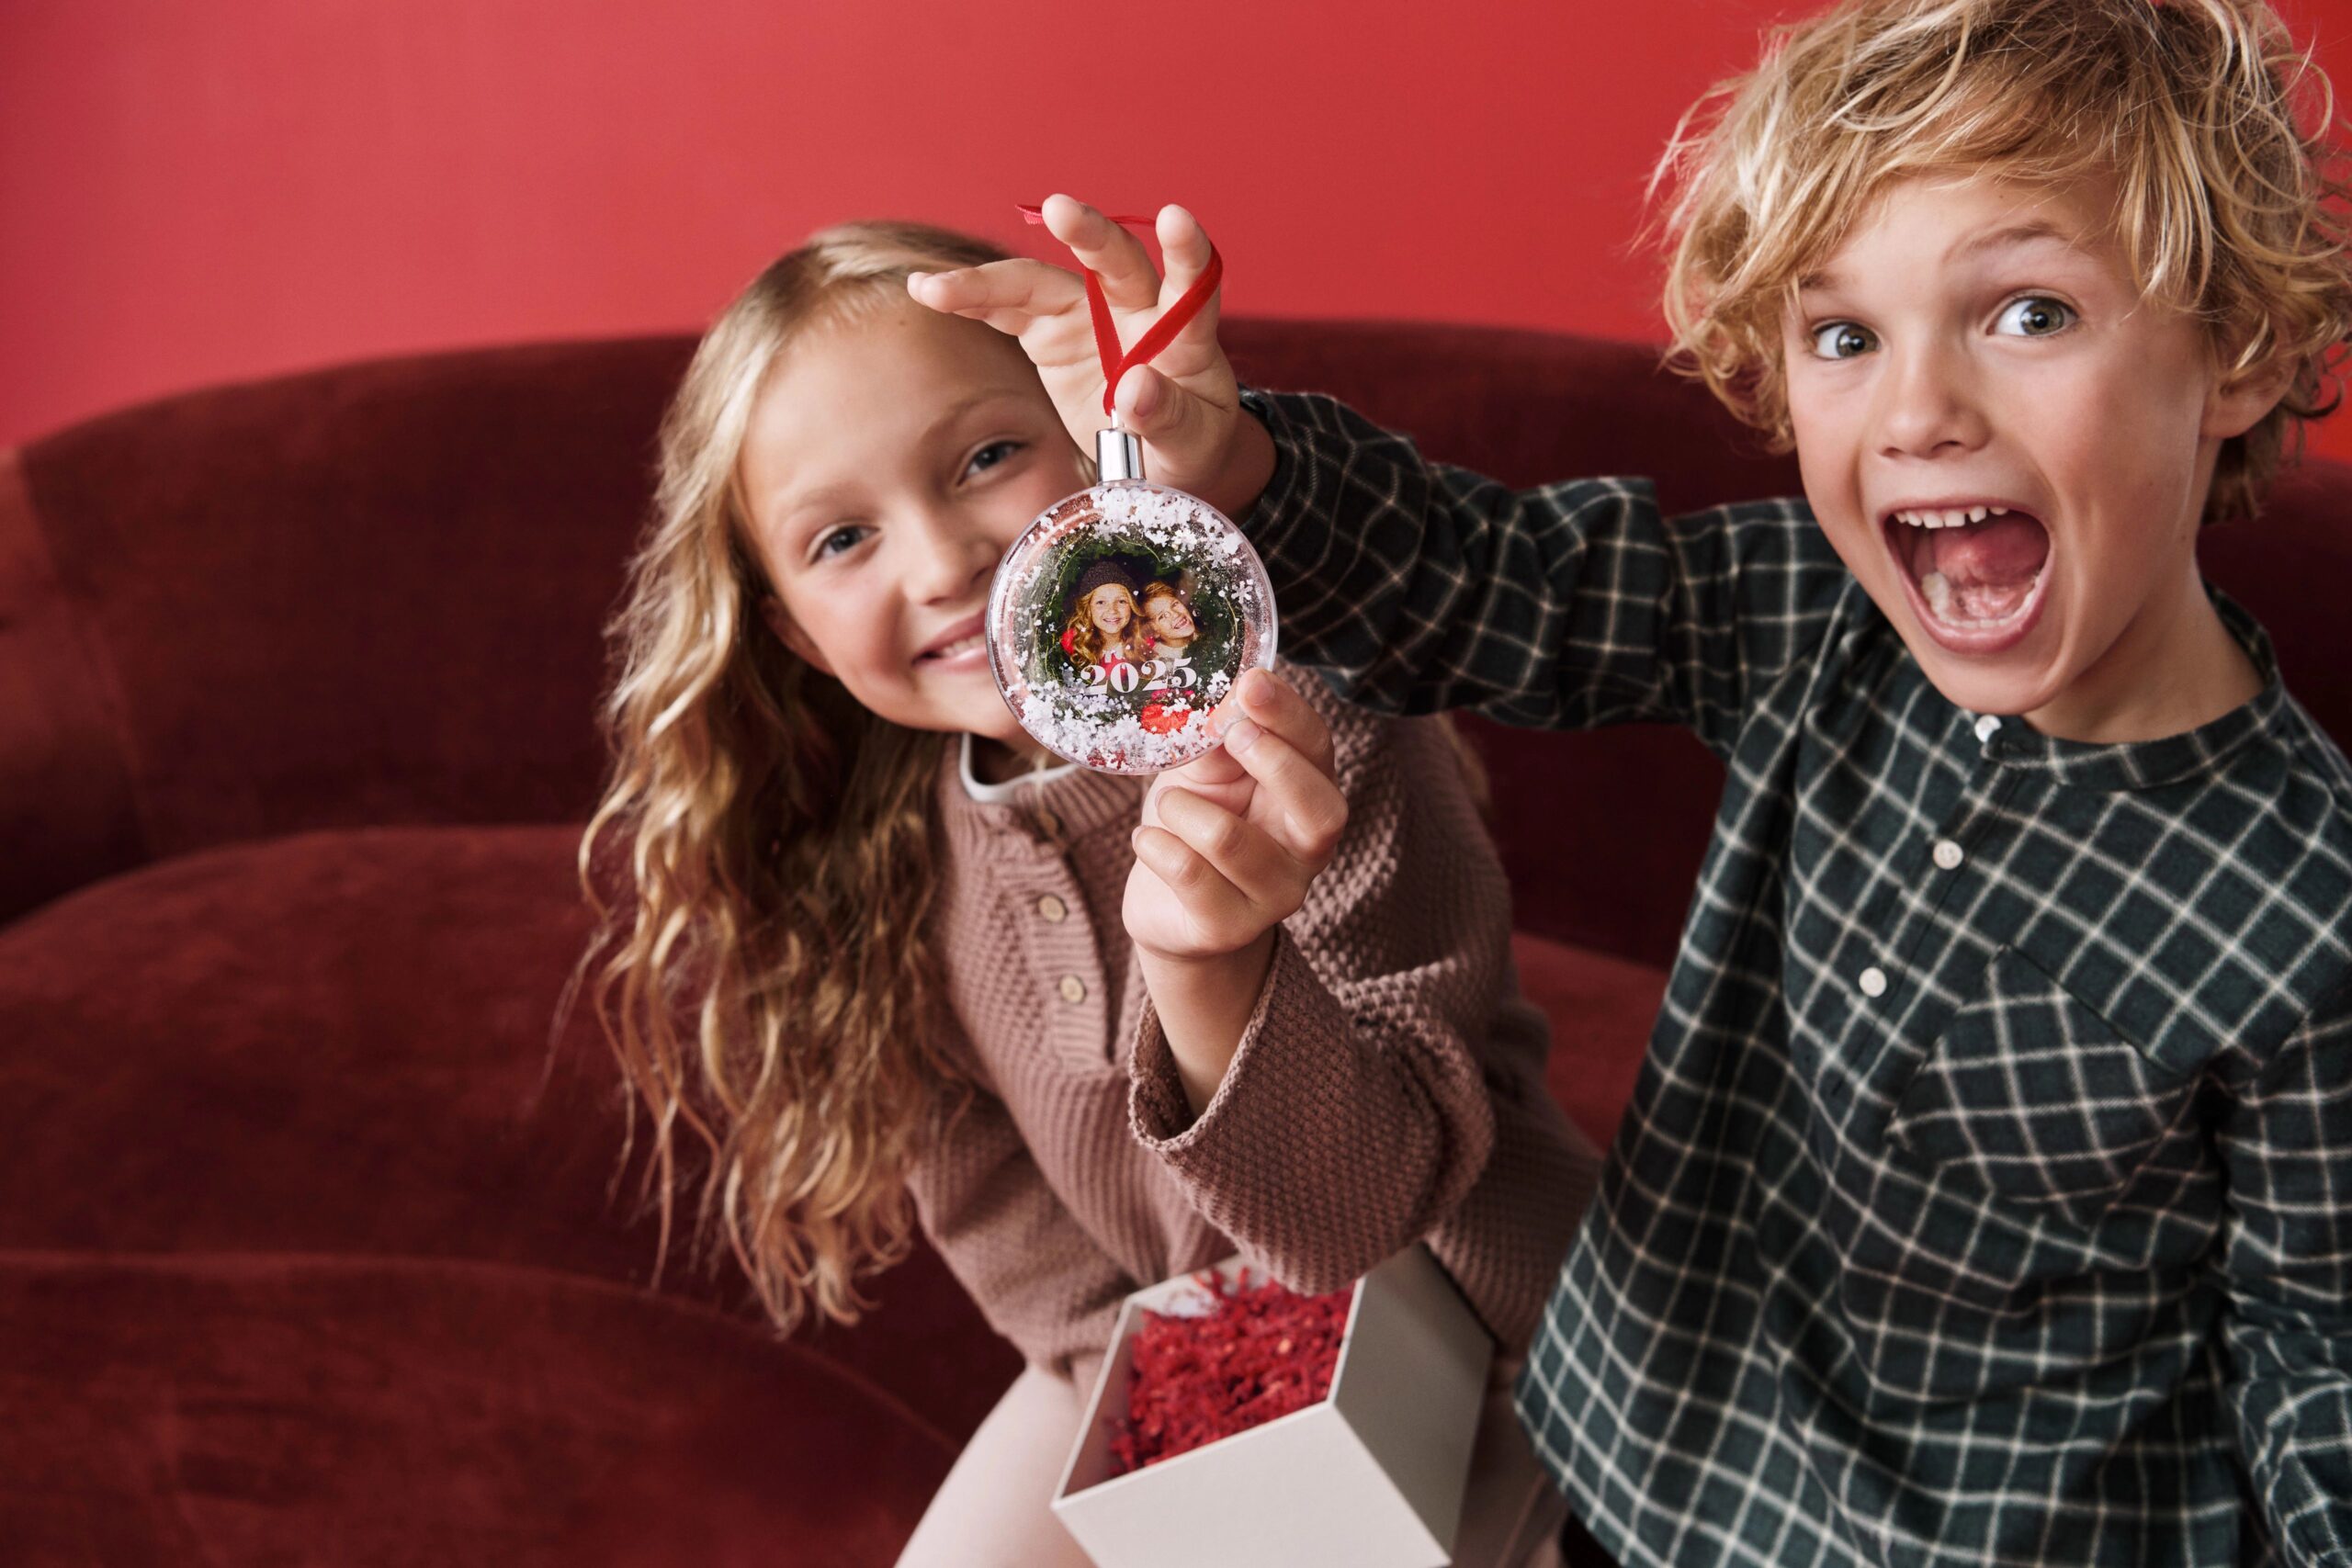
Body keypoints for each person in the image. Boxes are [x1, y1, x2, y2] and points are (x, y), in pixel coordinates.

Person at [908, 1, 2352, 1561]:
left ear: (2242, 352)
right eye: (1845, 337)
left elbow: (2315, 1365)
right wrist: (1226, 465)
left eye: (2027, 314)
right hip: (1625, 1455)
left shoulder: (2309, 908)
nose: (1920, 412)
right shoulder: (1813, 614)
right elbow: (1488, 580)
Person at [578, 220, 1600, 1568]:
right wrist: (1156, 1421)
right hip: (1188, 1352)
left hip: (1489, 1336)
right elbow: (1003, 1215)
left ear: (1103, 446)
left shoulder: (1306, 729)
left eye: (989, 457)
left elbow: (1372, 1209)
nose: (942, 560)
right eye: (841, 539)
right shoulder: (887, 860)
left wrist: (1214, 975)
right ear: (790, 631)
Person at [1061, 560, 1155, 673]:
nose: (1112, 610)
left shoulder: (1145, 641)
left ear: (1132, 605)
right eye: (1101, 602)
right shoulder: (1073, 643)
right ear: (1088, 608)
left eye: (1121, 601)